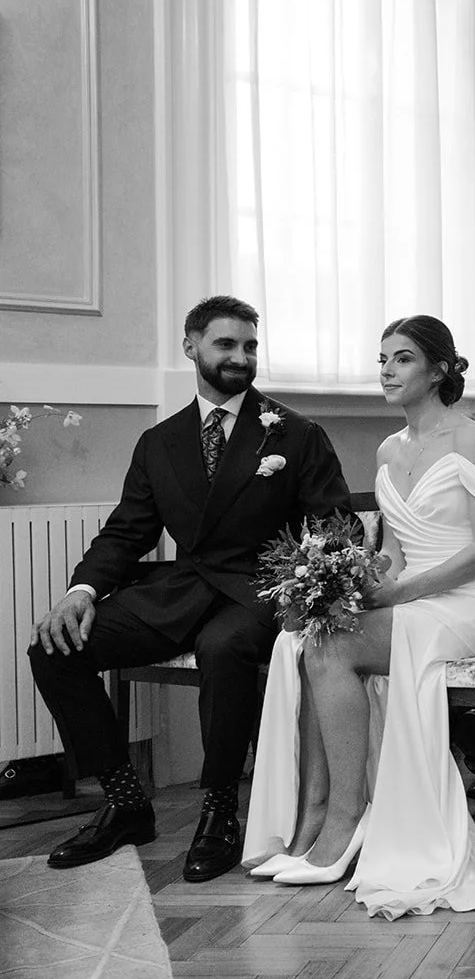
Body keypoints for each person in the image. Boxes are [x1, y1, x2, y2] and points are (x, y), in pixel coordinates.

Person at [28, 296, 349, 881]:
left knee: (223, 650)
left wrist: (306, 593)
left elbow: (336, 529)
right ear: (191, 347)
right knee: (54, 648)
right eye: (226, 344)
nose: (241, 356)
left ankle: (220, 810)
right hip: (181, 589)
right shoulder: (160, 442)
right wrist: (80, 591)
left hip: (259, 595)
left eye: (250, 346)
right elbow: (127, 531)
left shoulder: (297, 435)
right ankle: (125, 803)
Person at [243, 316, 475, 917]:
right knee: (306, 634)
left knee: (331, 648)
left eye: (403, 359)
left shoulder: (470, 440)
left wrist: (402, 593)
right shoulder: (389, 448)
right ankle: (311, 818)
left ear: (439, 370)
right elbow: (395, 545)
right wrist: (364, 581)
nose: (387, 371)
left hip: (468, 603)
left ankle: (347, 818)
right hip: (413, 595)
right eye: (383, 359)